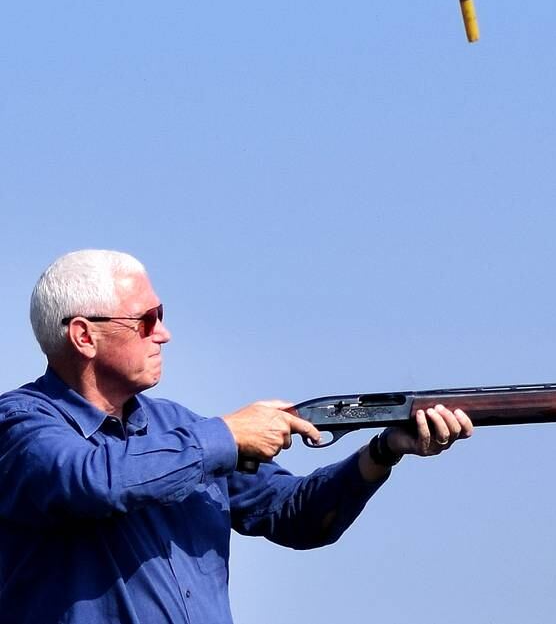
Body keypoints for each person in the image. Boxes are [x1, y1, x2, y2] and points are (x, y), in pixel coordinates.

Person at [0, 250, 473, 624]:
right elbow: (91, 480)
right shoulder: (20, 424)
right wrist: (226, 435)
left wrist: (383, 451)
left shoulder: (179, 429)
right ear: (84, 336)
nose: (163, 333)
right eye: (146, 319)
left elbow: (297, 516)